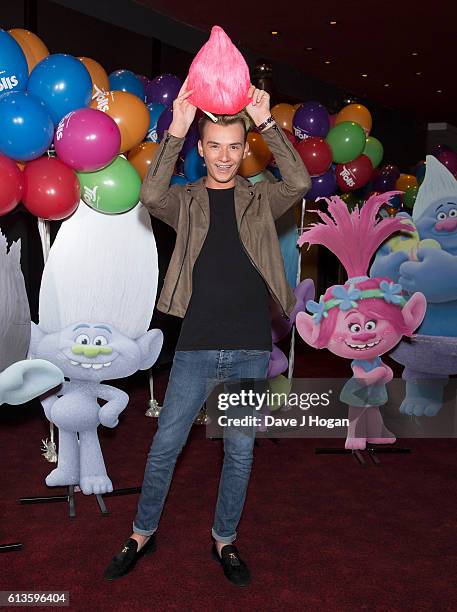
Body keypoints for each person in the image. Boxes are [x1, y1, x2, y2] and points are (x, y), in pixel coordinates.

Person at [104, 80, 310, 585]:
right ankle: (141, 533)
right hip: (195, 346)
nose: (223, 155)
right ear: (202, 149)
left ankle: (225, 540)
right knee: (165, 446)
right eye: (214, 145)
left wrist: (265, 122)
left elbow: (301, 182)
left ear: (245, 150)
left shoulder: (261, 201)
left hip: (247, 348)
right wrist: (173, 131)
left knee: (239, 451)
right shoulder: (186, 200)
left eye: (233, 146)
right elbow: (150, 193)